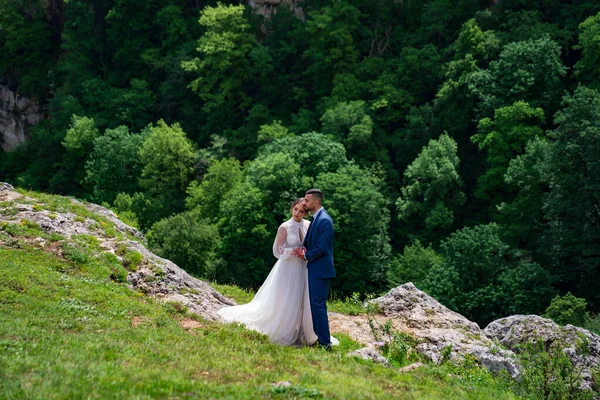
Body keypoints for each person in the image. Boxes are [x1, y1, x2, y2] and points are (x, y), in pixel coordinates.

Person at [217, 198, 318, 346]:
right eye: (295, 209)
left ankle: (301, 329)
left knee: (300, 298)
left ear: (305, 213)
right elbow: (276, 250)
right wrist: (291, 251)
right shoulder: (284, 227)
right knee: (285, 297)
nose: (297, 213)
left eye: (301, 211)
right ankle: (283, 327)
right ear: (292, 208)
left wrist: (305, 251)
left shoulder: (308, 226)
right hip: (287, 267)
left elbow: (312, 244)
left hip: (303, 267)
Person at [293, 188, 336, 350]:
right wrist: (303, 250)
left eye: (306, 200)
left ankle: (325, 343)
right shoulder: (317, 218)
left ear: (315, 202)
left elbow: (321, 248)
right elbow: (312, 243)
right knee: (316, 305)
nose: (304, 203)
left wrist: (306, 255)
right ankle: (322, 339)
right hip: (316, 268)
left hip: (320, 270)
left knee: (318, 305)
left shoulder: (324, 220)